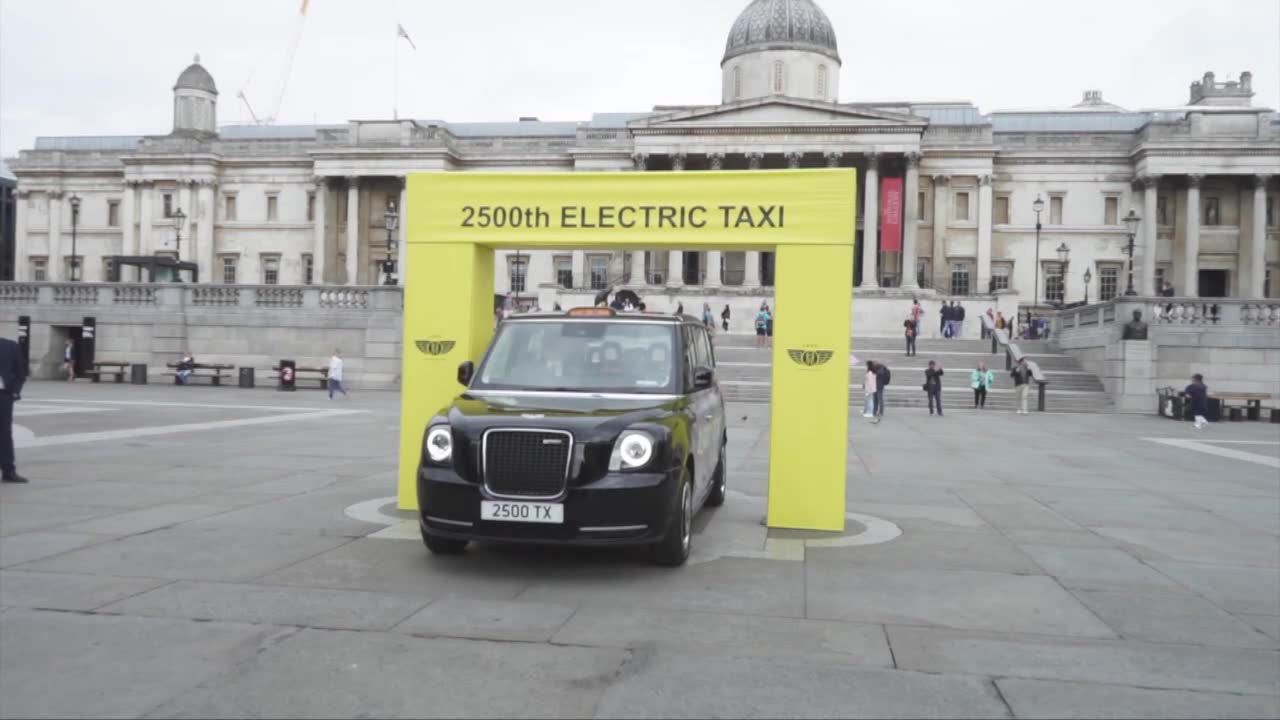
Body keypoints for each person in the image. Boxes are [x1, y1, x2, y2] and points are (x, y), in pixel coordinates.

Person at [0, 336, 28, 483]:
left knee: (4, 434)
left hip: (3, 396)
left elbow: (21, 372)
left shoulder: (10, 346)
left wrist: (15, 391)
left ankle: (8, 471)